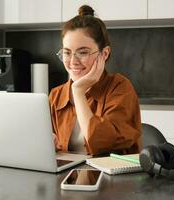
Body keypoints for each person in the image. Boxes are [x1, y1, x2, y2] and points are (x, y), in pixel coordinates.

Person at [49, 5, 142, 156]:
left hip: (113, 178)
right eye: (67, 53)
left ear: (104, 54)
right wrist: (48, 142)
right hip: (68, 176)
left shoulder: (120, 87)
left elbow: (103, 144)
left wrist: (78, 92)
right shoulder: (56, 95)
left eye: (83, 52)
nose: (73, 61)